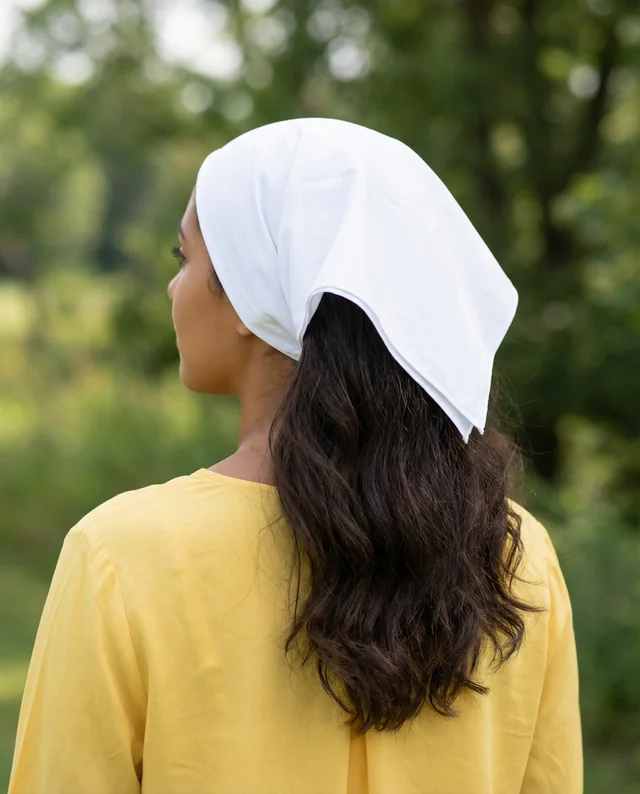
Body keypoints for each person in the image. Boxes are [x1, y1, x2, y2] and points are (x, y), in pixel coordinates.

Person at [8, 118, 582, 794]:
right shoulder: (518, 558)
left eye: (184, 257)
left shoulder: (119, 558)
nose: (174, 287)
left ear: (253, 289)